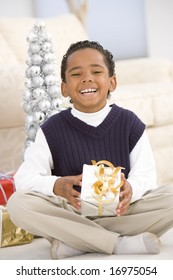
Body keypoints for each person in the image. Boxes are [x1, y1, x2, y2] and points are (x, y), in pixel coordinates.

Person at [7, 40, 173, 259]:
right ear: (64, 88)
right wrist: (56, 185)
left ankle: (77, 243)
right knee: (19, 204)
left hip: (122, 212)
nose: (87, 78)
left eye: (96, 71)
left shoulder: (129, 123)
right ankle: (118, 244)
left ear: (112, 82)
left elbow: (147, 177)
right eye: (76, 74)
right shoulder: (51, 129)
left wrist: (131, 188)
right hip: (71, 213)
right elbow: (25, 178)